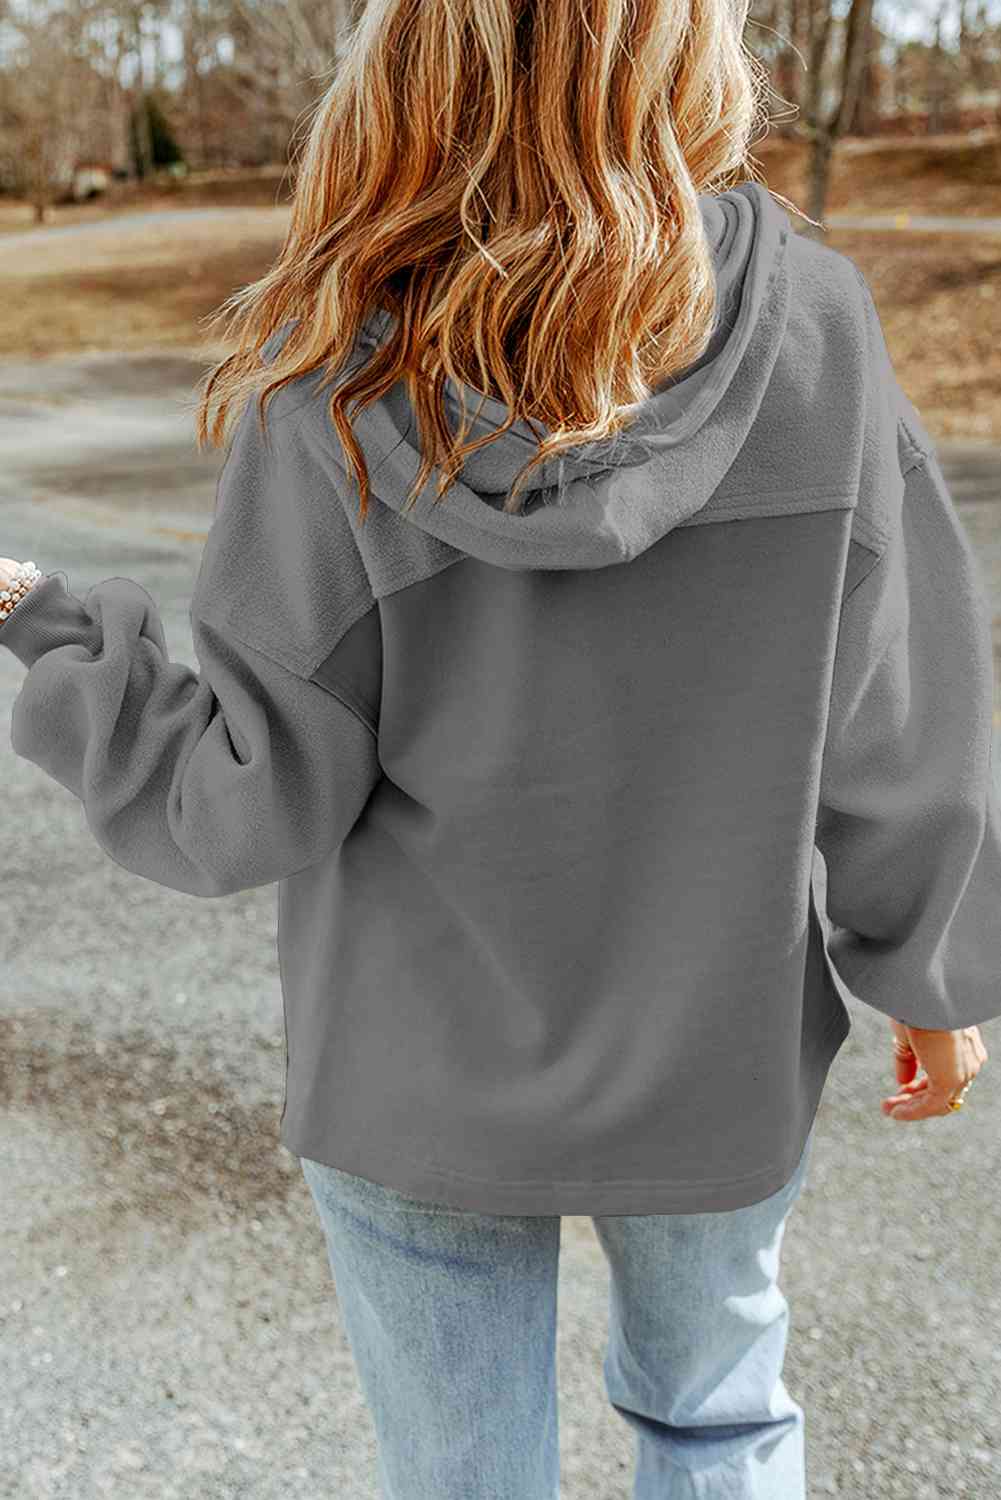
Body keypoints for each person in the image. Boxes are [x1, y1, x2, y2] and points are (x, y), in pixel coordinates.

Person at [2, 0, 998, 1495]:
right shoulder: (815, 329)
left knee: (461, 1475)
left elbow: (245, 802)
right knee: (720, 1422)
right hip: (715, 1053)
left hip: (410, 1074)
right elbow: (898, 706)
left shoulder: (335, 376)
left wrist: (55, 627)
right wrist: (928, 971)